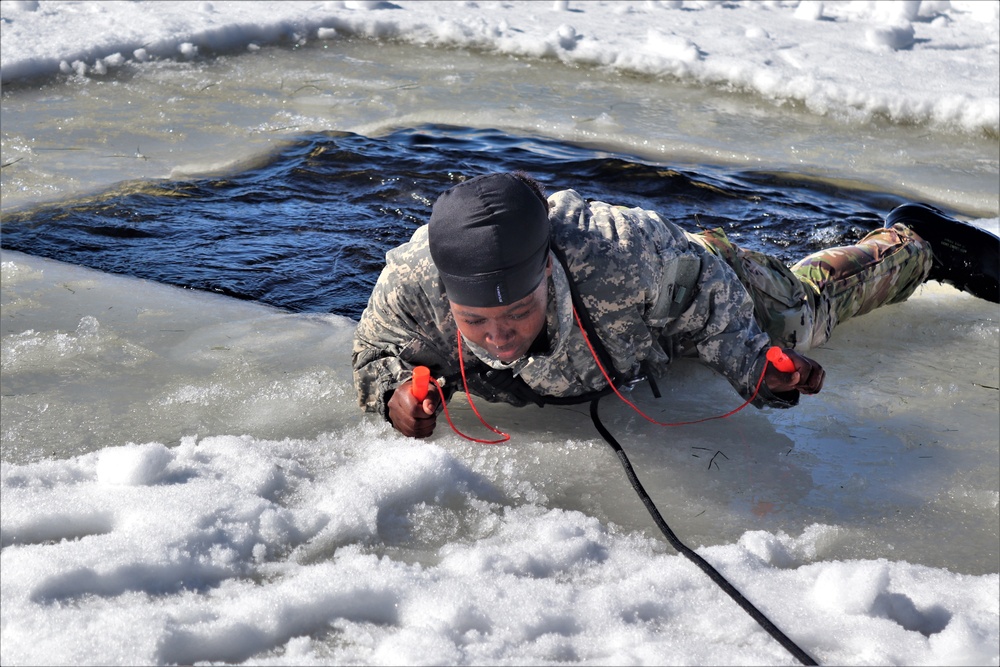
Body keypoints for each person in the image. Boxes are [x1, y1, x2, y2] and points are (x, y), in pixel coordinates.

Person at [352, 171, 998, 438]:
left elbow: (721, 313)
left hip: (695, 279)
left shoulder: (623, 250)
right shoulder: (414, 280)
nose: (497, 335)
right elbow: (374, 350)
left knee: (801, 315)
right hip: (648, 313)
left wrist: (760, 369)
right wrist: (396, 397)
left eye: (516, 312)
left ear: (547, 271)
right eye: (476, 321)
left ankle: (916, 242)